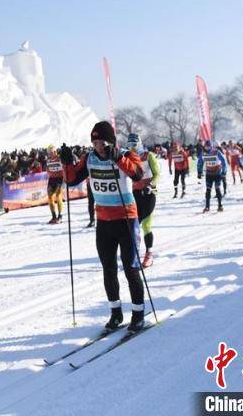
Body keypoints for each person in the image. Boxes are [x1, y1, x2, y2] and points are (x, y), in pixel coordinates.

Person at [61, 121, 145, 333]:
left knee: (131, 268)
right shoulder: (89, 158)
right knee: (108, 269)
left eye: (101, 142)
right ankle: (116, 313)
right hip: (104, 221)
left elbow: (137, 174)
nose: (97, 146)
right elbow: (71, 180)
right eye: (94, 142)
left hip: (127, 220)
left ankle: (138, 313)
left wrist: (117, 157)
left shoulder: (125, 154)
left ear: (110, 142)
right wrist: (65, 163)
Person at [126, 133, 159, 268]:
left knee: (146, 225)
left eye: (134, 145)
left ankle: (149, 253)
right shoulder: (127, 158)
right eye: (129, 145)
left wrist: (151, 185)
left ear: (139, 144)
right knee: (133, 226)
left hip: (148, 194)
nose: (132, 148)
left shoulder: (148, 156)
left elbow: (157, 174)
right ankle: (133, 253)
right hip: (134, 195)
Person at [197, 140, 227, 213]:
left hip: (217, 173)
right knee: (208, 190)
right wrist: (199, 172)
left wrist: (224, 172)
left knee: (217, 189)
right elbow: (200, 163)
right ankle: (207, 206)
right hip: (209, 174)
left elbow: (223, 161)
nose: (207, 148)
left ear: (211, 146)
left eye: (209, 146)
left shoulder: (216, 152)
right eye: (206, 147)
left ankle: (220, 205)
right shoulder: (203, 153)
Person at [45, 146, 65, 224]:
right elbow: (47, 168)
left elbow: (65, 166)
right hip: (52, 179)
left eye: (53, 152)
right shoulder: (48, 160)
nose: (51, 154)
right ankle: (54, 216)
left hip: (60, 179)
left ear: (55, 151)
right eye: (50, 152)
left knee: (58, 196)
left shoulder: (60, 158)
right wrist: (49, 172)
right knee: (50, 197)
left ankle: (60, 216)